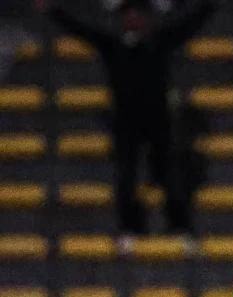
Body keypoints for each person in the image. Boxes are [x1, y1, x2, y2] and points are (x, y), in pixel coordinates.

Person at [38, 0, 218, 237]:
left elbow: (188, 25)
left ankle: (179, 226)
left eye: (138, 13)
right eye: (128, 14)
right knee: (126, 177)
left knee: (169, 175)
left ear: (147, 17)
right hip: (126, 124)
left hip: (158, 121)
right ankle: (129, 228)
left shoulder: (160, 41)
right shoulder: (112, 46)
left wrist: (211, 6)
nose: (133, 19)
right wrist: (53, 12)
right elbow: (82, 31)